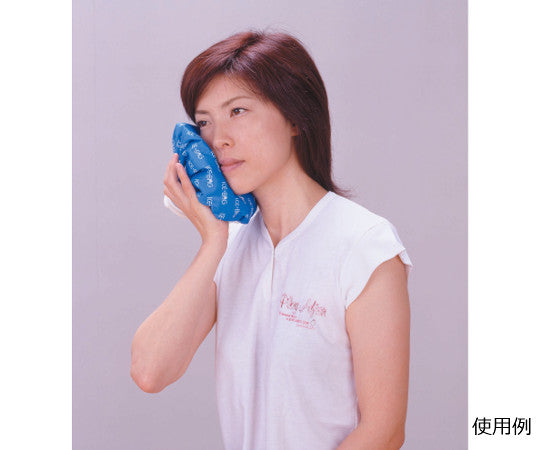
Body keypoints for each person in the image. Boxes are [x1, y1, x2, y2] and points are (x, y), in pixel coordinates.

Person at [131, 29, 413, 450]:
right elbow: (150, 371)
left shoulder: (365, 245)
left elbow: (384, 432)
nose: (218, 139)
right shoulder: (231, 245)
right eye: (204, 122)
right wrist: (213, 242)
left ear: (295, 118)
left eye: (238, 111)